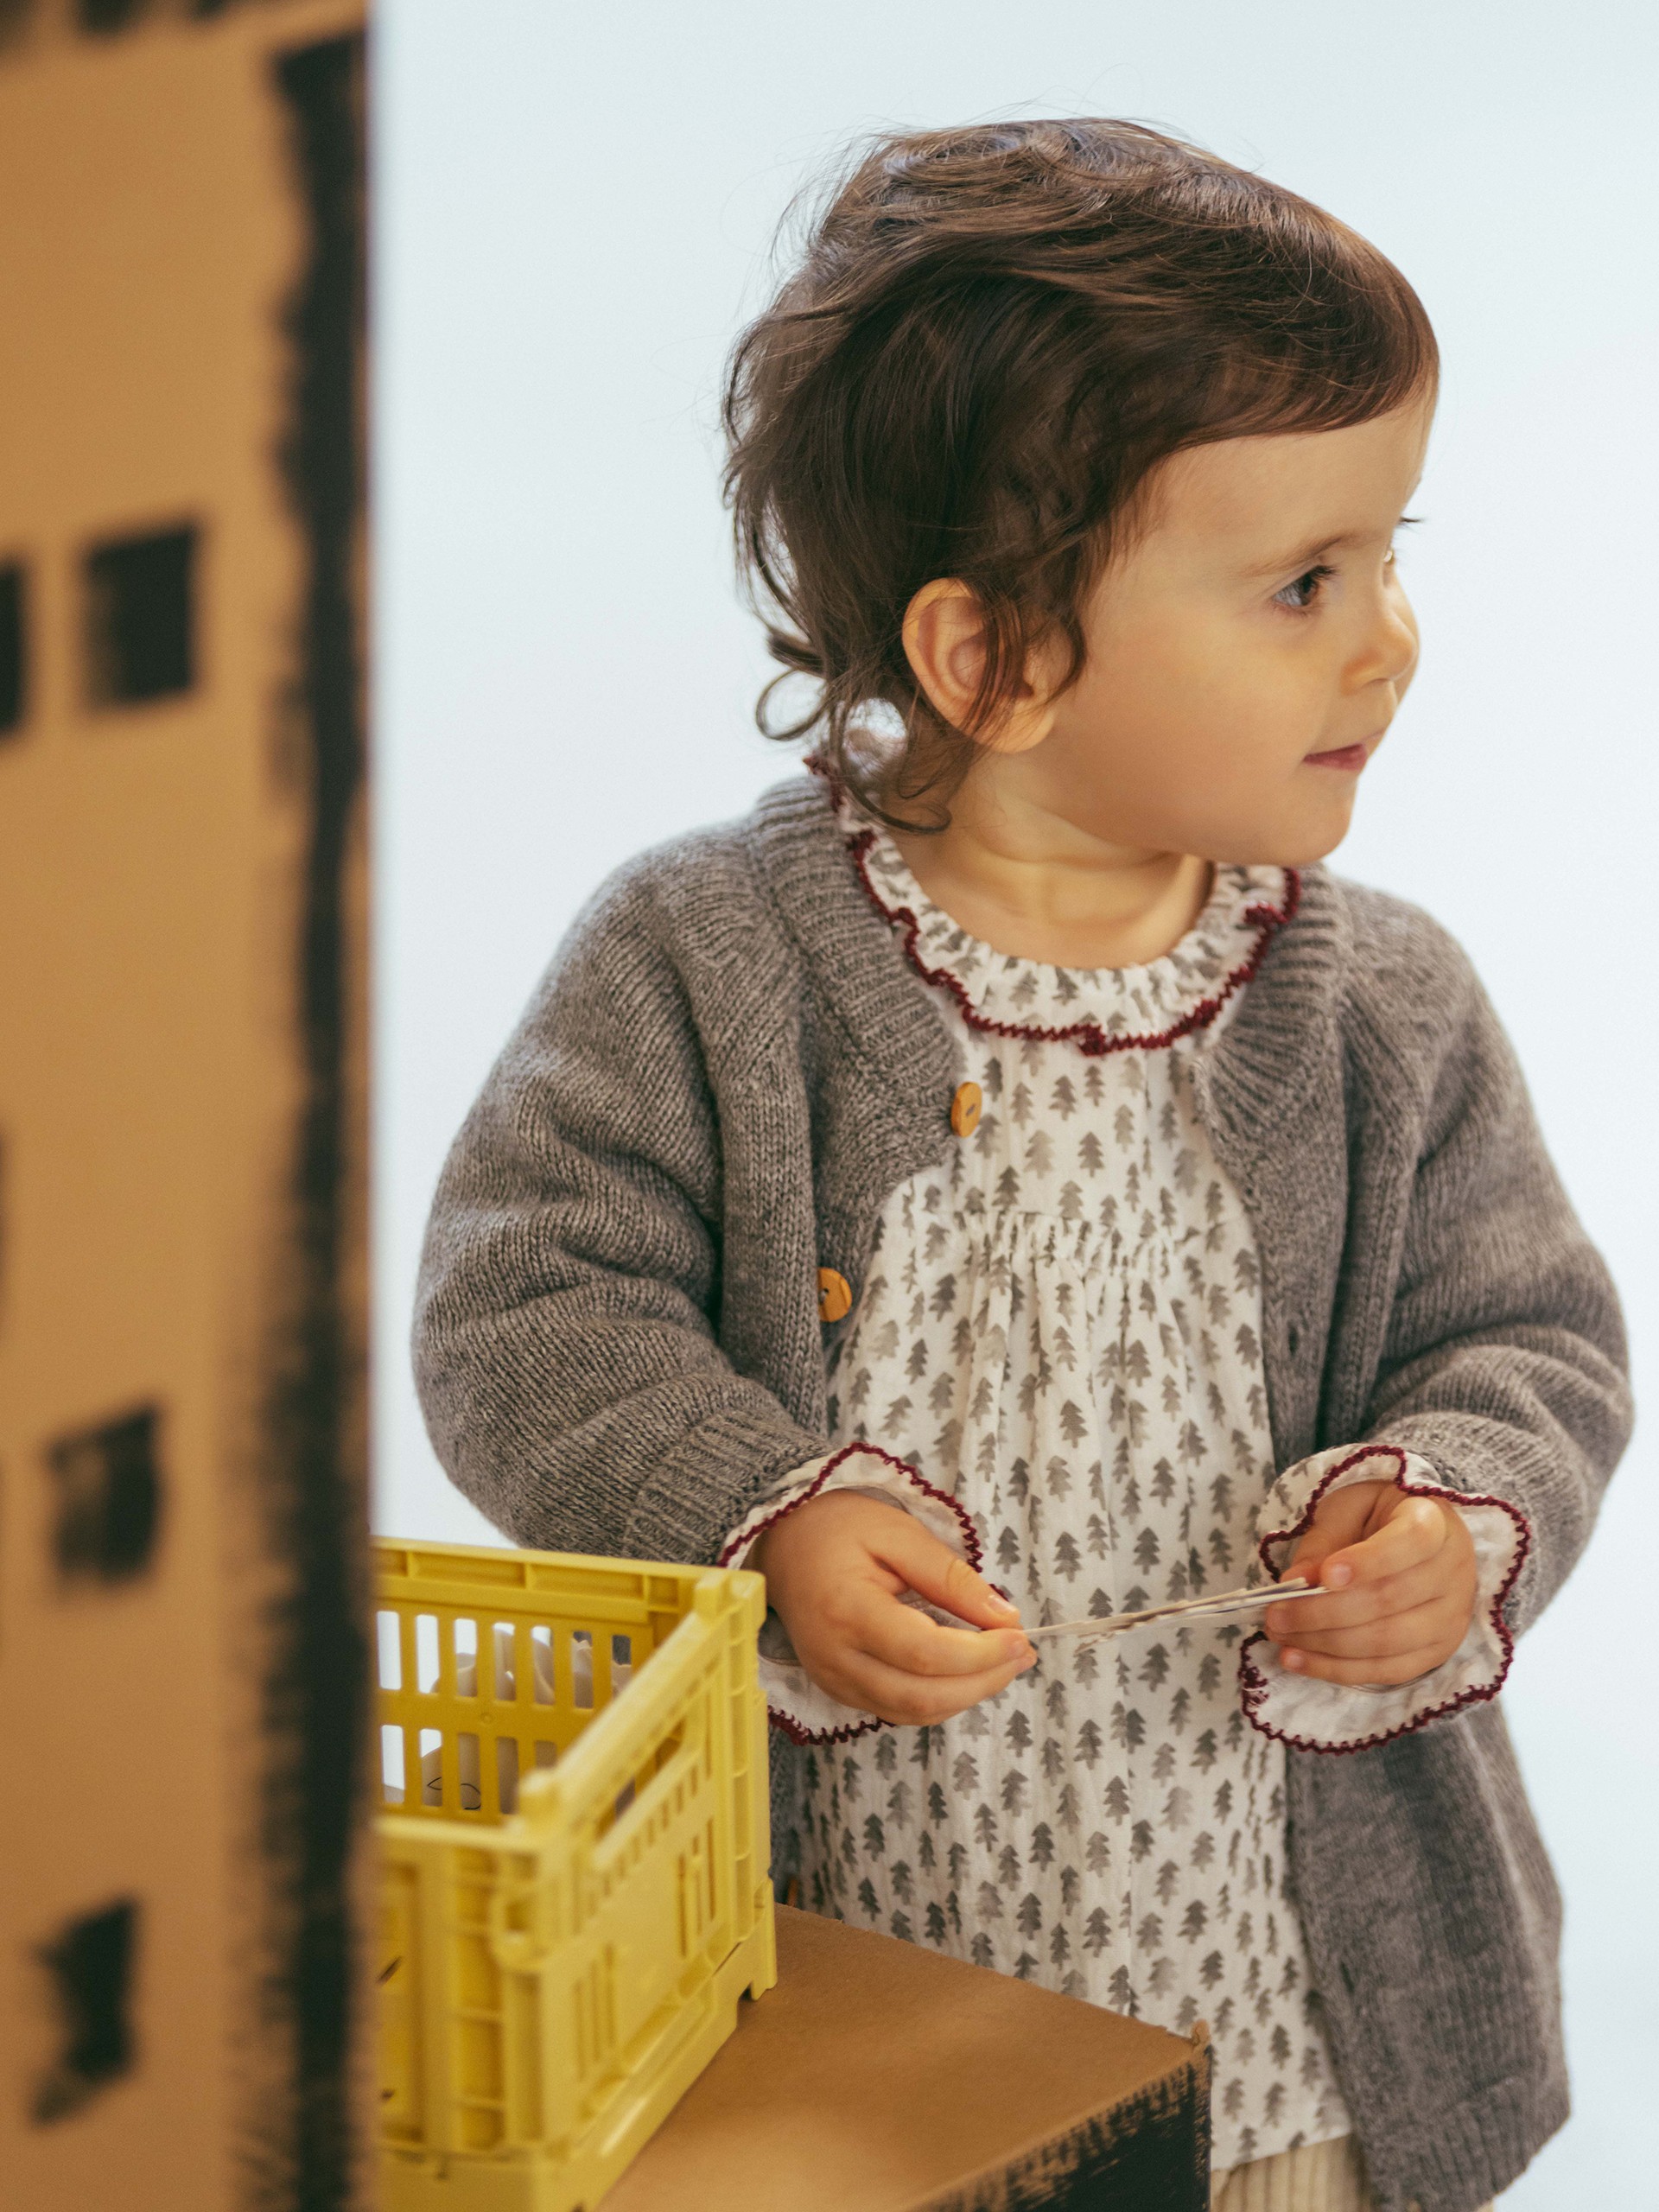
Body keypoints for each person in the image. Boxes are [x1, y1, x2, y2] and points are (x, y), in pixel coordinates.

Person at [412, 120, 1629, 2212]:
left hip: (1283, 2036)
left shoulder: (1385, 1004)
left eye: (1390, 551)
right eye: (1302, 583)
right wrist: (758, 1507)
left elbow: (1529, 1332)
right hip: (850, 2019)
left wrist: (1454, 1505)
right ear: (992, 660)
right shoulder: (707, 958)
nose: (1391, 640)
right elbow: (523, 1306)